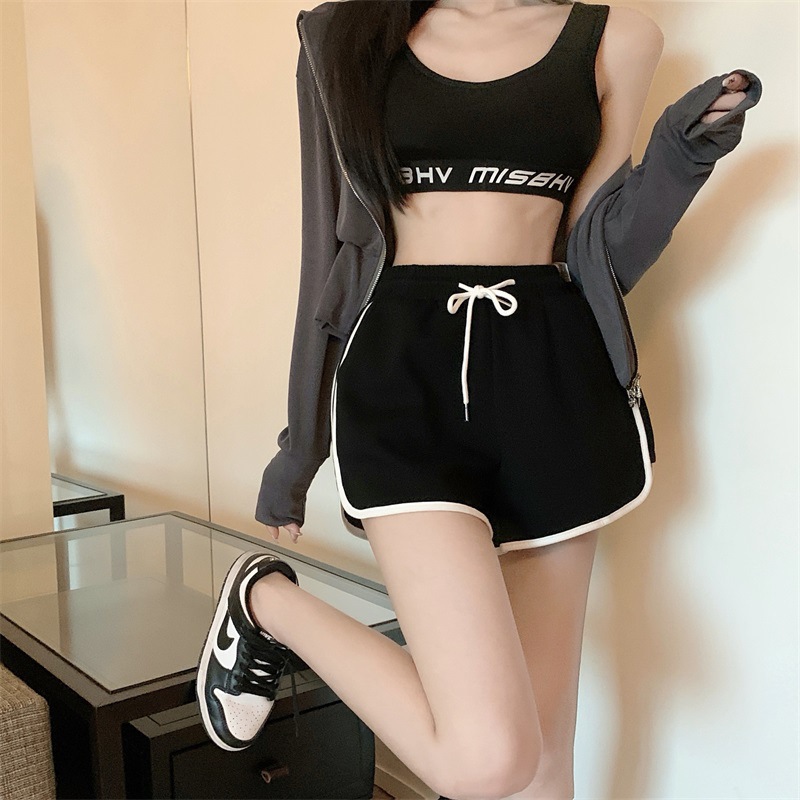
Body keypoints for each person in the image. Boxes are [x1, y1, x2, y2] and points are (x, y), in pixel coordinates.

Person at [196, 2, 760, 798]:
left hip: (554, 379)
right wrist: (301, 446)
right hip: (404, 379)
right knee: (487, 757)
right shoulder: (342, 34)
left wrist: (679, 157)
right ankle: (265, 601)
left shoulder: (619, 39)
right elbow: (326, 252)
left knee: (543, 768)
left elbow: (598, 251)